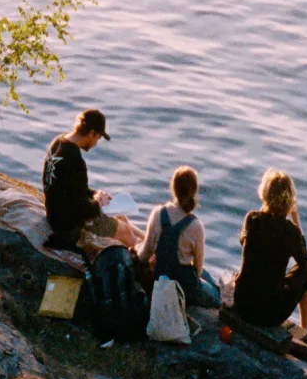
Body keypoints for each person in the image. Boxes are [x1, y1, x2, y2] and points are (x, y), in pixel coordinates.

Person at [42, 109, 142, 249]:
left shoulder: (58, 142)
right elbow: (83, 210)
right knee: (124, 231)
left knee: (121, 216)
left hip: (55, 210)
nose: (95, 143)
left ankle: (149, 244)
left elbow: (72, 188)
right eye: (97, 138)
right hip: (67, 223)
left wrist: (96, 194)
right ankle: (145, 262)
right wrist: (99, 202)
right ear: (91, 133)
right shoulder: (75, 160)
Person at [231, 169, 307, 330]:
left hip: (242, 304)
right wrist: (296, 218)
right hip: (267, 315)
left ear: (265, 195)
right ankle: (305, 330)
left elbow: (243, 241)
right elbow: (303, 259)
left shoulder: (252, 220)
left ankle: (305, 330)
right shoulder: (290, 231)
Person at [137, 166, 220, 308]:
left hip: (161, 282)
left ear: (173, 188)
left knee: (205, 275)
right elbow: (197, 269)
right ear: (194, 191)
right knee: (217, 295)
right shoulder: (195, 225)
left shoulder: (157, 213)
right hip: (185, 289)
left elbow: (144, 256)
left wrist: (137, 246)